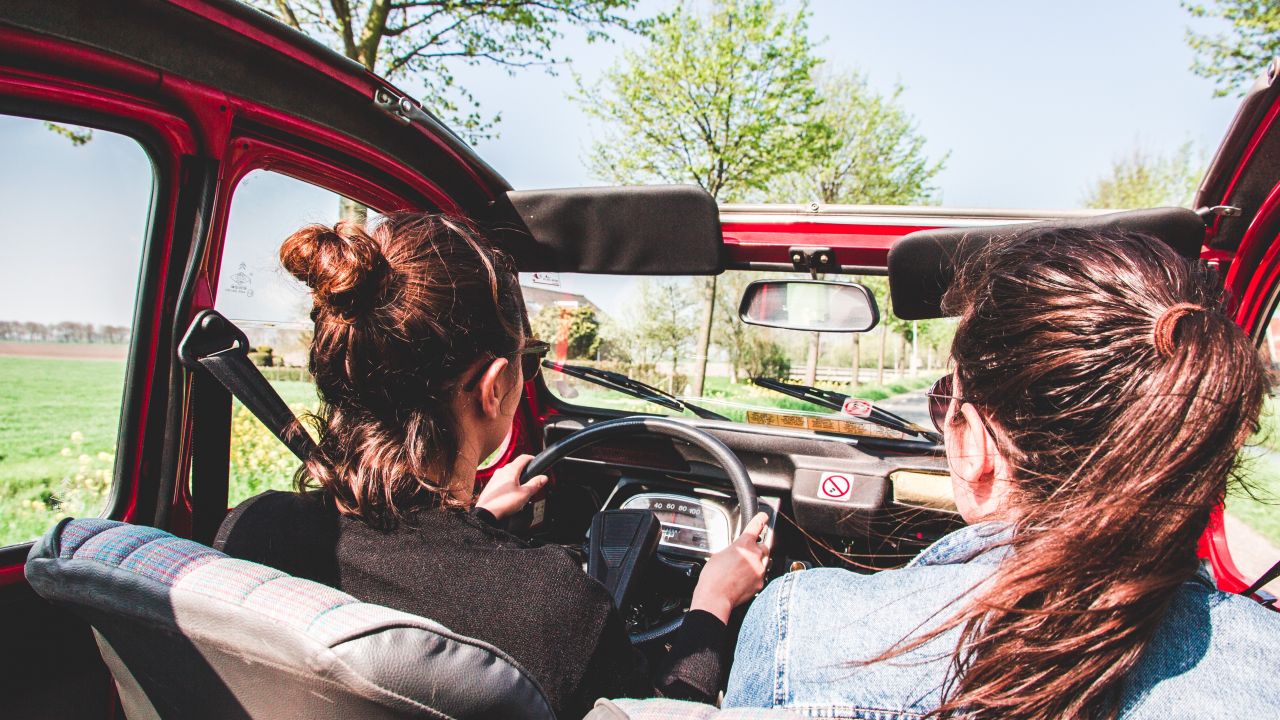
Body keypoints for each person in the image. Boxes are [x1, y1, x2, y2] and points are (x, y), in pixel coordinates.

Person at [214, 212, 771, 719]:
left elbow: (404, 571)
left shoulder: (252, 530)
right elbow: (662, 712)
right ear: (495, 386)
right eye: (527, 363)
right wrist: (712, 603)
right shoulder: (550, 605)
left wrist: (475, 518)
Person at [725, 228, 1280, 719]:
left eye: (948, 404)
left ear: (974, 444)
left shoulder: (802, 632)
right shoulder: (1268, 667)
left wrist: (711, 611)